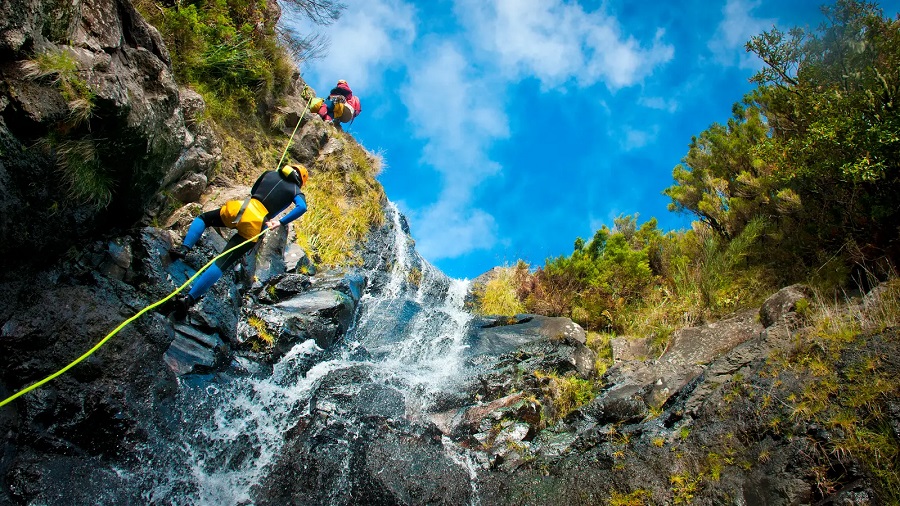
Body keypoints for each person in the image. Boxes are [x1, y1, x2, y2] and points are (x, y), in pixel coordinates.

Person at [168, 164, 309, 319]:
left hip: (239, 208)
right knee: (222, 262)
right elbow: (302, 207)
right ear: (301, 180)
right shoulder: (296, 190)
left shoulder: (269, 173)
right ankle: (189, 299)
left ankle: (184, 249)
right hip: (255, 223)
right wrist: (280, 222)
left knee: (204, 219)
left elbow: (254, 191)